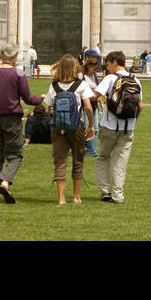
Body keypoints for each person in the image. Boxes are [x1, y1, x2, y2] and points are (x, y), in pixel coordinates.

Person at [0, 43, 44, 203]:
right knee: (15, 155)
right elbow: (28, 99)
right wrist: (41, 98)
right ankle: (5, 183)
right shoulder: (18, 74)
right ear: (13, 57)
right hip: (12, 119)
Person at [44, 54, 96, 205]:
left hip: (58, 126)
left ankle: (61, 198)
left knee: (60, 161)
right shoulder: (81, 85)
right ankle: (76, 197)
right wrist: (91, 125)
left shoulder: (54, 86)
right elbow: (87, 107)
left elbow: (49, 107)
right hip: (76, 126)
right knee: (78, 159)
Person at [94, 50, 141, 204]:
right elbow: (140, 105)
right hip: (128, 127)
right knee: (120, 163)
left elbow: (95, 96)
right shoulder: (135, 80)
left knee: (103, 157)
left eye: (108, 63)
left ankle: (106, 191)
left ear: (114, 62)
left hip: (110, 126)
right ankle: (118, 195)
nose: (107, 67)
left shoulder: (110, 78)